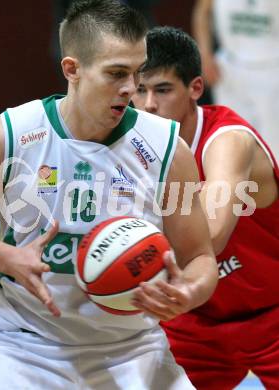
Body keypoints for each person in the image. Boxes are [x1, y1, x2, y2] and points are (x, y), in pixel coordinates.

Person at [0, 2, 218, 389]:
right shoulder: (15, 133)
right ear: (72, 69)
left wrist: (188, 291)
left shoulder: (164, 147)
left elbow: (199, 256)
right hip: (25, 347)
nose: (131, 88)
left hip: (133, 351)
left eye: (137, 72)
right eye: (116, 74)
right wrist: (7, 257)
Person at [132, 26, 279, 390]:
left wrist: (135, 256)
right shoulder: (130, 147)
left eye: (162, 89)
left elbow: (210, 237)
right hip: (195, 318)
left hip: (274, 312)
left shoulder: (228, 140)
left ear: (195, 88)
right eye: (140, 90)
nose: (149, 104)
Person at [192, 0, 279, 160]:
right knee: (231, 146)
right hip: (230, 68)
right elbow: (202, 13)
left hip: (273, 69)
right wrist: (204, 54)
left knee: (274, 150)